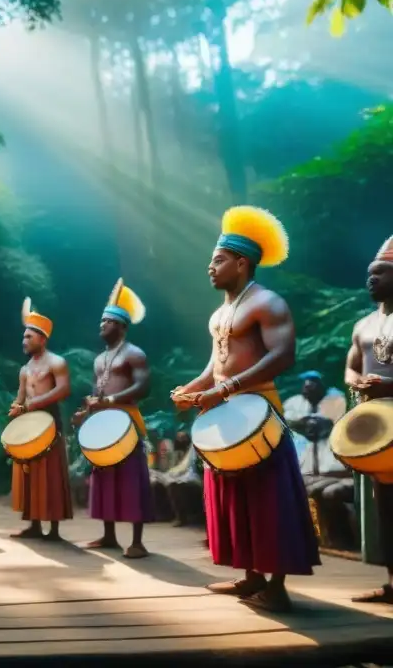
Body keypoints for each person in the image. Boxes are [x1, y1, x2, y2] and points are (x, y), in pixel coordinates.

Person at [171, 206, 319, 613]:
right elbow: (215, 364)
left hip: (258, 411)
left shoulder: (268, 302)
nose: (210, 267)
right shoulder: (219, 313)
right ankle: (251, 575)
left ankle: (277, 586)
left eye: (218, 260)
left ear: (242, 262)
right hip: (225, 409)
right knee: (234, 496)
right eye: (211, 260)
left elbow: (283, 354)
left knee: (267, 496)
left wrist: (228, 388)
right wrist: (194, 388)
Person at [73, 279, 154, 559]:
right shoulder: (99, 359)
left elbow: (143, 386)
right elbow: (98, 390)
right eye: (101, 322)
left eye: (107, 322)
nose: (101, 326)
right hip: (103, 421)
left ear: (121, 325)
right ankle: (108, 536)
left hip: (126, 420)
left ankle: (138, 542)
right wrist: (87, 411)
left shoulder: (135, 353)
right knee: (104, 478)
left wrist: (110, 401)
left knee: (132, 479)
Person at [344, 234, 393, 605]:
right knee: (385, 505)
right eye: (369, 273)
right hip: (378, 428)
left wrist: (387, 384)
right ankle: (392, 583)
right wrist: (357, 383)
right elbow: (350, 367)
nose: (372, 279)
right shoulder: (362, 325)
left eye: (382, 272)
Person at [8, 298, 73, 541]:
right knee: (31, 473)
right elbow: (21, 397)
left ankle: (53, 529)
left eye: (29, 337)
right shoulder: (24, 369)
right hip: (30, 425)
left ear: (42, 339)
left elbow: (64, 390)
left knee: (51, 473)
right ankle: (34, 524)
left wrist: (35, 403)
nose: (24, 341)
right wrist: (17, 408)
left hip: (50, 422)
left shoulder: (57, 362)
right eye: (24, 337)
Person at [284, 371, 354, 549]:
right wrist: (305, 422)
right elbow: (291, 421)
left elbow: (323, 424)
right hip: (312, 472)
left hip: (338, 473)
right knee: (298, 488)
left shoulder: (335, 400)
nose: (308, 391)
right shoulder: (294, 403)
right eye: (306, 388)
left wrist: (307, 423)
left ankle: (340, 540)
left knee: (326, 492)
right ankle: (314, 540)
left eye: (313, 386)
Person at [149, 431, 203, 527]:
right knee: (156, 483)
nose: (181, 440)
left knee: (173, 485)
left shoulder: (194, 450)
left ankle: (181, 518)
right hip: (177, 476)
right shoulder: (174, 453)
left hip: (193, 478)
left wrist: (173, 474)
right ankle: (162, 515)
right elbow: (175, 468)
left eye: (183, 438)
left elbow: (188, 468)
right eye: (179, 438)